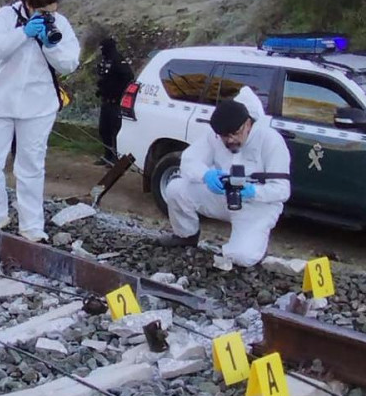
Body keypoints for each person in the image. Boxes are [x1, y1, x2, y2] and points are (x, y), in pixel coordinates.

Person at [0, 0, 82, 242]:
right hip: (0, 102)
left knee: (30, 167)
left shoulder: (60, 23)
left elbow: (69, 63)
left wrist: (49, 44)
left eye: (53, 11)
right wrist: (24, 33)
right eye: (44, 11)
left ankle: (32, 227)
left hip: (38, 105)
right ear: (29, 5)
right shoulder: (5, 17)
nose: (50, 16)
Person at [157, 95, 291, 267]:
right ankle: (186, 236)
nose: (230, 140)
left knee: (241, 257)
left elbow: (282, 190)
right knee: (175, 188)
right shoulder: (215, 136)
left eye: (234, 134)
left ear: (248, 124)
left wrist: (252, 191)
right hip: (223, 196)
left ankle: (255, 244)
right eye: (224, 136)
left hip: (257, 205)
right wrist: (206, 175)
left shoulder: (271, 140)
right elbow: (189, 160)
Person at [94, 37, 133, 165]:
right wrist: (101, 88)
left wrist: (118, 92)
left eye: (103, 48)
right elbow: (105, 78)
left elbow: (128, 78)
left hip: (116, 102)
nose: (101, 51)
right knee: (104, 130)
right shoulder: (106, 60)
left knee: (115, 130)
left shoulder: (118, 60)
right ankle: (107, 156)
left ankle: (116, 158)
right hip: (106, 101)